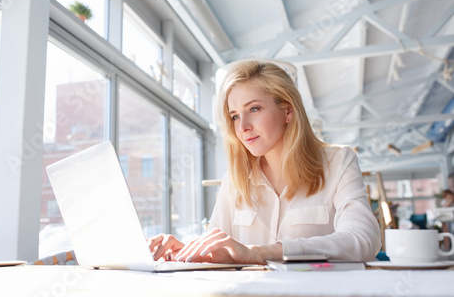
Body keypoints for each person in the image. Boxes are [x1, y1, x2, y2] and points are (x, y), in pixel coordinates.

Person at [148, 60, 381, 264]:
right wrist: (186, 250)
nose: (243, 126)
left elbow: (364, 240)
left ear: (288, 111)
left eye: (254, 109)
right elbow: (218, 246)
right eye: (235, 116)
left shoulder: (338, 162)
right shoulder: (236, 178)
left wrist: (260, 253)